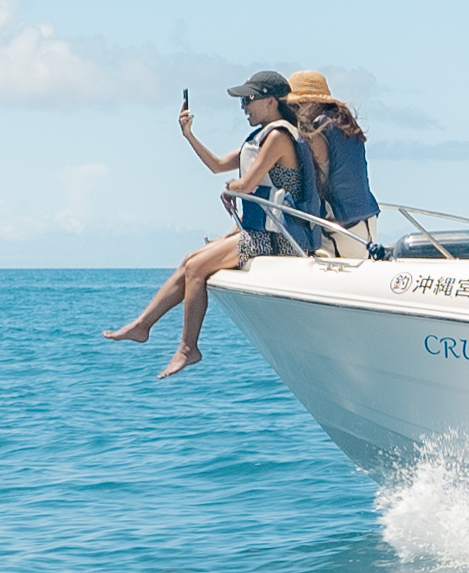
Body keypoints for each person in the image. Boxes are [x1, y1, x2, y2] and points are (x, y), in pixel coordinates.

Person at [103, 71, 316, 378]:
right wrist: (188, 134)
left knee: (196, 268)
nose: (244, 108)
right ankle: (142, 325)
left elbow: (245, 185)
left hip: (277, 238)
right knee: (188, 260)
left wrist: (231, 187)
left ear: (271, 101)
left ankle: (188, 348)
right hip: (258, 231)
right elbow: (217, 166)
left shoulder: (278, 137)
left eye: (248, 100)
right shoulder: (260, 138)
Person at [281, 71, 379, 259]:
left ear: (312, 103)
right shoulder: (344, 124)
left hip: (341, 230)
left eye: (295, 105)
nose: (291, 111)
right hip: (366, 222)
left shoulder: (318, 131)